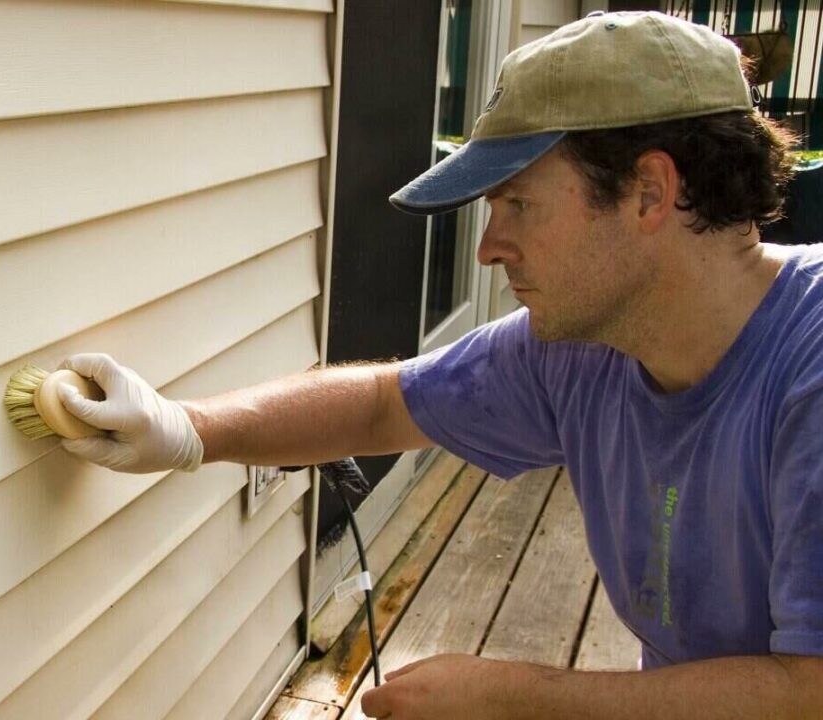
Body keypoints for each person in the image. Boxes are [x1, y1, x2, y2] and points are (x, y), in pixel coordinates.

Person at [54, 11, 822, 719]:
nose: (487, 246)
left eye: (518, 203)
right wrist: (185, 430)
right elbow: (383, 405)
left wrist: (516, 700)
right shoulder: (584, 351)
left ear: (649, 192)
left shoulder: (809, 366)